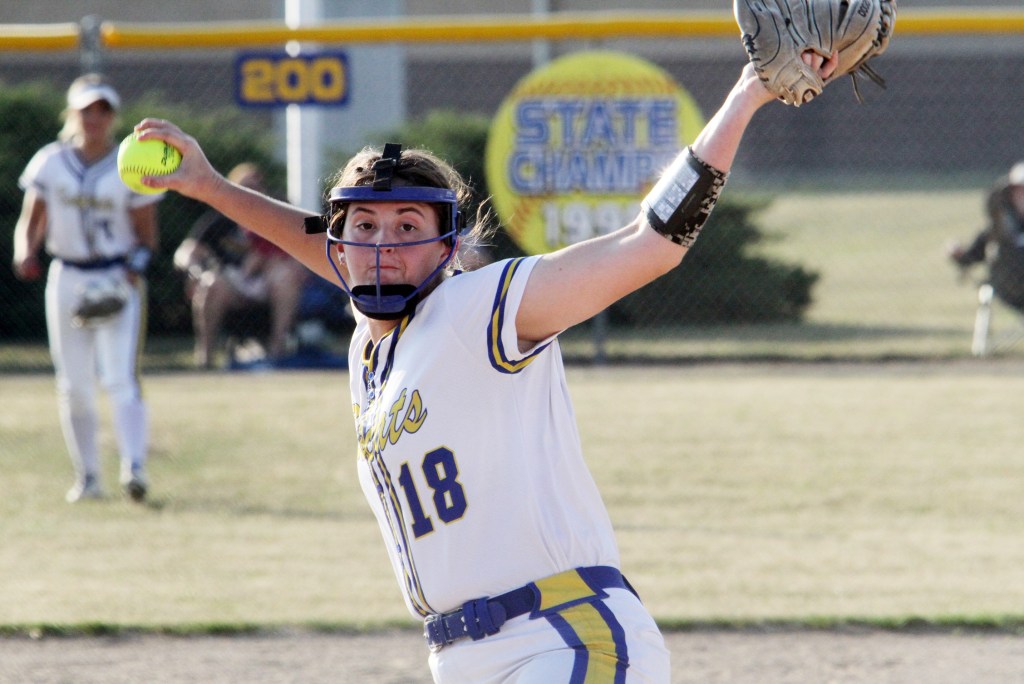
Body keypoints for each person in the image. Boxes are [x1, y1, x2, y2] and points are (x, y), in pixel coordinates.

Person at [132, 53, 838, 682]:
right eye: (365, 227)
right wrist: (211, 186)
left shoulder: (482, 307)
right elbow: (327, 246)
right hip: (463, 659)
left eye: (409, 228)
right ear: (340, 244)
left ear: (448, 248)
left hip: (563, 637)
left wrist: (745, 95)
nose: (383, 246)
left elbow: (647, 245)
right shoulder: (372, 349)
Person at [12, 74, 159, 503]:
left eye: (102, 110)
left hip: (115, 274)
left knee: (119, 378)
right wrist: (25, 252)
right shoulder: (50, 161)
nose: (94, 118)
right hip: (68, 276)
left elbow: (147, 237)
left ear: (113, 116)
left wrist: (133, 270)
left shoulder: (131, 164)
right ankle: (88, 476)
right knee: (74, 384)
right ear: (71, 114)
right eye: (86, 110)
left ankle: (134, 468)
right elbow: (30, 221)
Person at [174, 162, 308, 368]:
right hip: (232, 282)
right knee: (211, 283)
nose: (250, 192)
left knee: (285, 275)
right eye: (245, 186)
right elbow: (187, 251)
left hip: (267, 281)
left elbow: (299, 247)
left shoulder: (274, 216)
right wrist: (195, 272)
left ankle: (277, 352)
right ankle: (206, 357)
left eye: (256, 187)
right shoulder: (220, 219)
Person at [948, 161, 1024, 312]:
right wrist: (958, 255)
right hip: (1011, 289)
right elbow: (973, 255)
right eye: (1019, 192)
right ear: (1011, 196)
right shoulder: (999, 230)